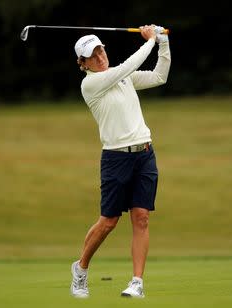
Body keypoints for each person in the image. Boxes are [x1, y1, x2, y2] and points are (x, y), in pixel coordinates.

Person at [70, 24, 171, 298]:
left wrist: (162, 44)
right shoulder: (91, 84)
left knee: (141, 218)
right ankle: (80, 269)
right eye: (93, 55)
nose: (100, 56)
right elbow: (126, 67)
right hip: (116, 158)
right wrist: (150, 41)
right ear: (84, 63)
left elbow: (159, 76)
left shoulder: (122, 78)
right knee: (109, 222)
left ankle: (137, 282)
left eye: (101, 50)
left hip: (144, 154)